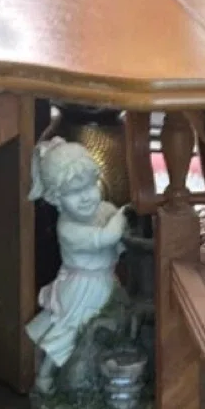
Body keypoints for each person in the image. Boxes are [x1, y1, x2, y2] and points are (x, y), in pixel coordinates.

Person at [26, 138, 129, 393]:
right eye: (74, 192)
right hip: (82, 288)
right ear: (55, 199)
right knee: (69, 334)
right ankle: (45, 376)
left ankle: (96, 378)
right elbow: (107, 237)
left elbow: (118, 241)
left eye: (90, 186)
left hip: (105, 281)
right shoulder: (68, 228)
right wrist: (123, 215)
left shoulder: (103, 209)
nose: (85, 197)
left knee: (101, 332)